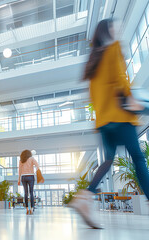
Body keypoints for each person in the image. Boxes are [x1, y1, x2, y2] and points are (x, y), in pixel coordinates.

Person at [69, 19, 149, 229]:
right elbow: (120, 77)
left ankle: (85, 197)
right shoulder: (113, 48)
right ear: (107, 31)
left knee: (108, 161)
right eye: (115, 27)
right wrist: (130, 98)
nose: (118, 30)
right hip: (120, 115)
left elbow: (94, 94)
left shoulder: (93, 60)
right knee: (138, 158)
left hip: (104, 119)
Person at [18, 150, 40, 215]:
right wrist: (36, 172)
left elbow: (19, 171)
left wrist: (19, 180)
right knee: (31, 193)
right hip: (31, 176)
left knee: (26, 193)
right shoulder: (32, 159)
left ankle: (27, 208)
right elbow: (37, 165)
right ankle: (32, 208)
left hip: (23, 177)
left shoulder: (21, 160)